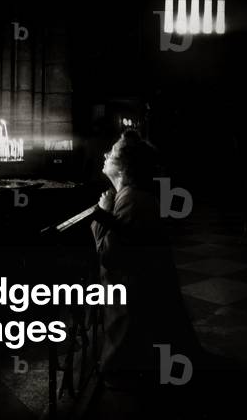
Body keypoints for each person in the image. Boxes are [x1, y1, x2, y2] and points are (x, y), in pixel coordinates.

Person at [90, 130, 201, 401]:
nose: (106, 155)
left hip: (133, 300)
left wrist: (102, 213)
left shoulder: (130, 200)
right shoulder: (133, 196)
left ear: (125, 166)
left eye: (112, 152)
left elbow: (110, 255)